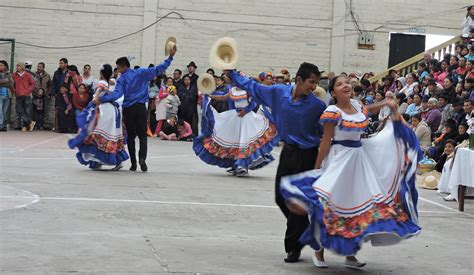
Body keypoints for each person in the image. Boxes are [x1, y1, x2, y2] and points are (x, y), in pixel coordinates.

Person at [280, 75, 422, 268]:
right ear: (333, 93)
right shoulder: (332, 111)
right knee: (331, 205)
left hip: (359, 160)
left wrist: (386, 103)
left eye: (347, 82)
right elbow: (325, 141)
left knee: (358, 206)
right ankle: (319, 251)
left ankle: (350, 254)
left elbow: (367, 110)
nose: (346, 85)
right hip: (338, 161)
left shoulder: (357, 105)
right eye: (340, 84)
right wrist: (317, 168)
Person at [225, 62, 326, 262]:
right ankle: (304, 229)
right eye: (311, 82)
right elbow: (253, 87)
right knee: (281, 197)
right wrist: (233, 74)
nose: (314, 87)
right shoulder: (278, 93)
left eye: (316, 83)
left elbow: (325, 132)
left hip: (307, 155)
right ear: (299, 80)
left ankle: (293, 247)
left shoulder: (317, 106)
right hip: (288, 152)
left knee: (295, 200)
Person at [114, 46, 176, 172]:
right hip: (141, 108)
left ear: (124, 66)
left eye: (119, 68)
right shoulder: (141, 72)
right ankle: (142, 159)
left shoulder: (122, 79)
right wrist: (170, 57)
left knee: (131, 136)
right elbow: (159, 68)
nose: (118, 70)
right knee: (142, 135)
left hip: (129, 109)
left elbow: (116, 94)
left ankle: (133, 163)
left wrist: (101, 99)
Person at [193, 85, 278, 177]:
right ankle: (235, 165)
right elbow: (223, 97)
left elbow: (254, 102)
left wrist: (246, 110)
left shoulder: (247, 89)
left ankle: (243, 166)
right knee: (235, 141)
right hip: (235, 116)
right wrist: (210, 96)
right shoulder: (232, 89)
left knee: (244, 142)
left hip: (246, 117)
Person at [68, 64, 129, 170]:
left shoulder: (102, 83)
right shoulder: (113, 82)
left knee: (94, 134)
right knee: (110, 135)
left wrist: (95, 98)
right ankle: (113, 160)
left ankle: (98, 161)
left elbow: (100, 90)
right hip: (113, 111)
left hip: (104, 111)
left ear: (101, 73)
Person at [12, 62, 36, 132]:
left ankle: (25, 126)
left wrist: (28, 91)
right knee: (19, 110)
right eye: (17, 66)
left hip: (26, 95)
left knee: (26, 111)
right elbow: (12, 84)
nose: (17, 67)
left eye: (18, 66)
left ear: (22, 67)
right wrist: (15, 90)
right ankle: (30, 122)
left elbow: (33, 84)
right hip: (18, 95)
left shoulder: (27, 75)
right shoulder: (14, 75)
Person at [35, 62, 52, 129]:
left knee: (43, 111)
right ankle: (36, 125)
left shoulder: (47, 75)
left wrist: (48, 93)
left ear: (43, 68)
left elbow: (50, 86)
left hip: (44, 96)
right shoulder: (34, 75)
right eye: (38, 66)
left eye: (40, 67)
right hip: (36, 95)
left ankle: (42, 125)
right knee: (35, 111)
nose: (39, 68)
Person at [0, 60, 13, 131]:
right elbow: (7, 82)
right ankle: (1, 125)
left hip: (7, 95)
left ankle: (4, 125)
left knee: (4, 111)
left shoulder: (8, 73)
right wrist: (5, 81)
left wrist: (4, 82)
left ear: (5, 66)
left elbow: (11, 82)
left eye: (1, 65)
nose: (0, 66)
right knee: (0, 111)